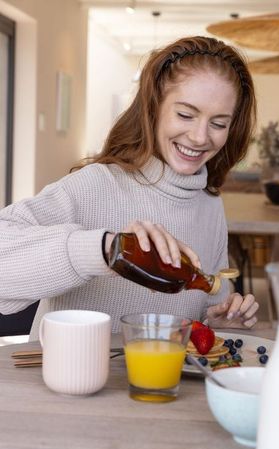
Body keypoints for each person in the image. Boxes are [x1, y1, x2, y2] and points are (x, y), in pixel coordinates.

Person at [0, 35, 259, 340]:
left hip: (160, 384)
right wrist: (107, 249)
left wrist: (217, 324)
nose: (201, 136)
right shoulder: (96, 184)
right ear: (153, 109)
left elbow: (198, 307)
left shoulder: (209, 204)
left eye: (218, 123)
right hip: (67, 382)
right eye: (185, 115)